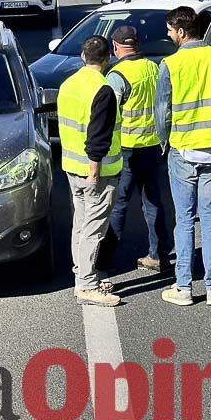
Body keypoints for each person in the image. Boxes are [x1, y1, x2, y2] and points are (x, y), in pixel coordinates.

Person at [156, 6, 211, 307]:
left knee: (185, 220)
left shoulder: (171, 64)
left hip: (183, 149)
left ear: (181, 32)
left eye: (170, 30)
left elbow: (163, 111)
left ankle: (183, 287)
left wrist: (164, 143)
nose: (168, 35)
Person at [57, 36, 124, 307]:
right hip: (97, 171)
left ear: (83, 57)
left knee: (80, 224)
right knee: (94, 228)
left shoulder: (68, 84)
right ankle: (87, 285)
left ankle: (81, 274)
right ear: (107, 58)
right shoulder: (103, 89)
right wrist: (95, 169)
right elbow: (98, 135)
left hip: (72, 168)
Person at [105, 26, 170, 273]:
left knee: (119, 203)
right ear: (138, 44)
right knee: (152, 201)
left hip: (127, 149)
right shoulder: (153, 67)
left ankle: (106, 260)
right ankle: (158, 255)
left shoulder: (117, 75)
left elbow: (107, 114)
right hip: (153, 146)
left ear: (116, 46)